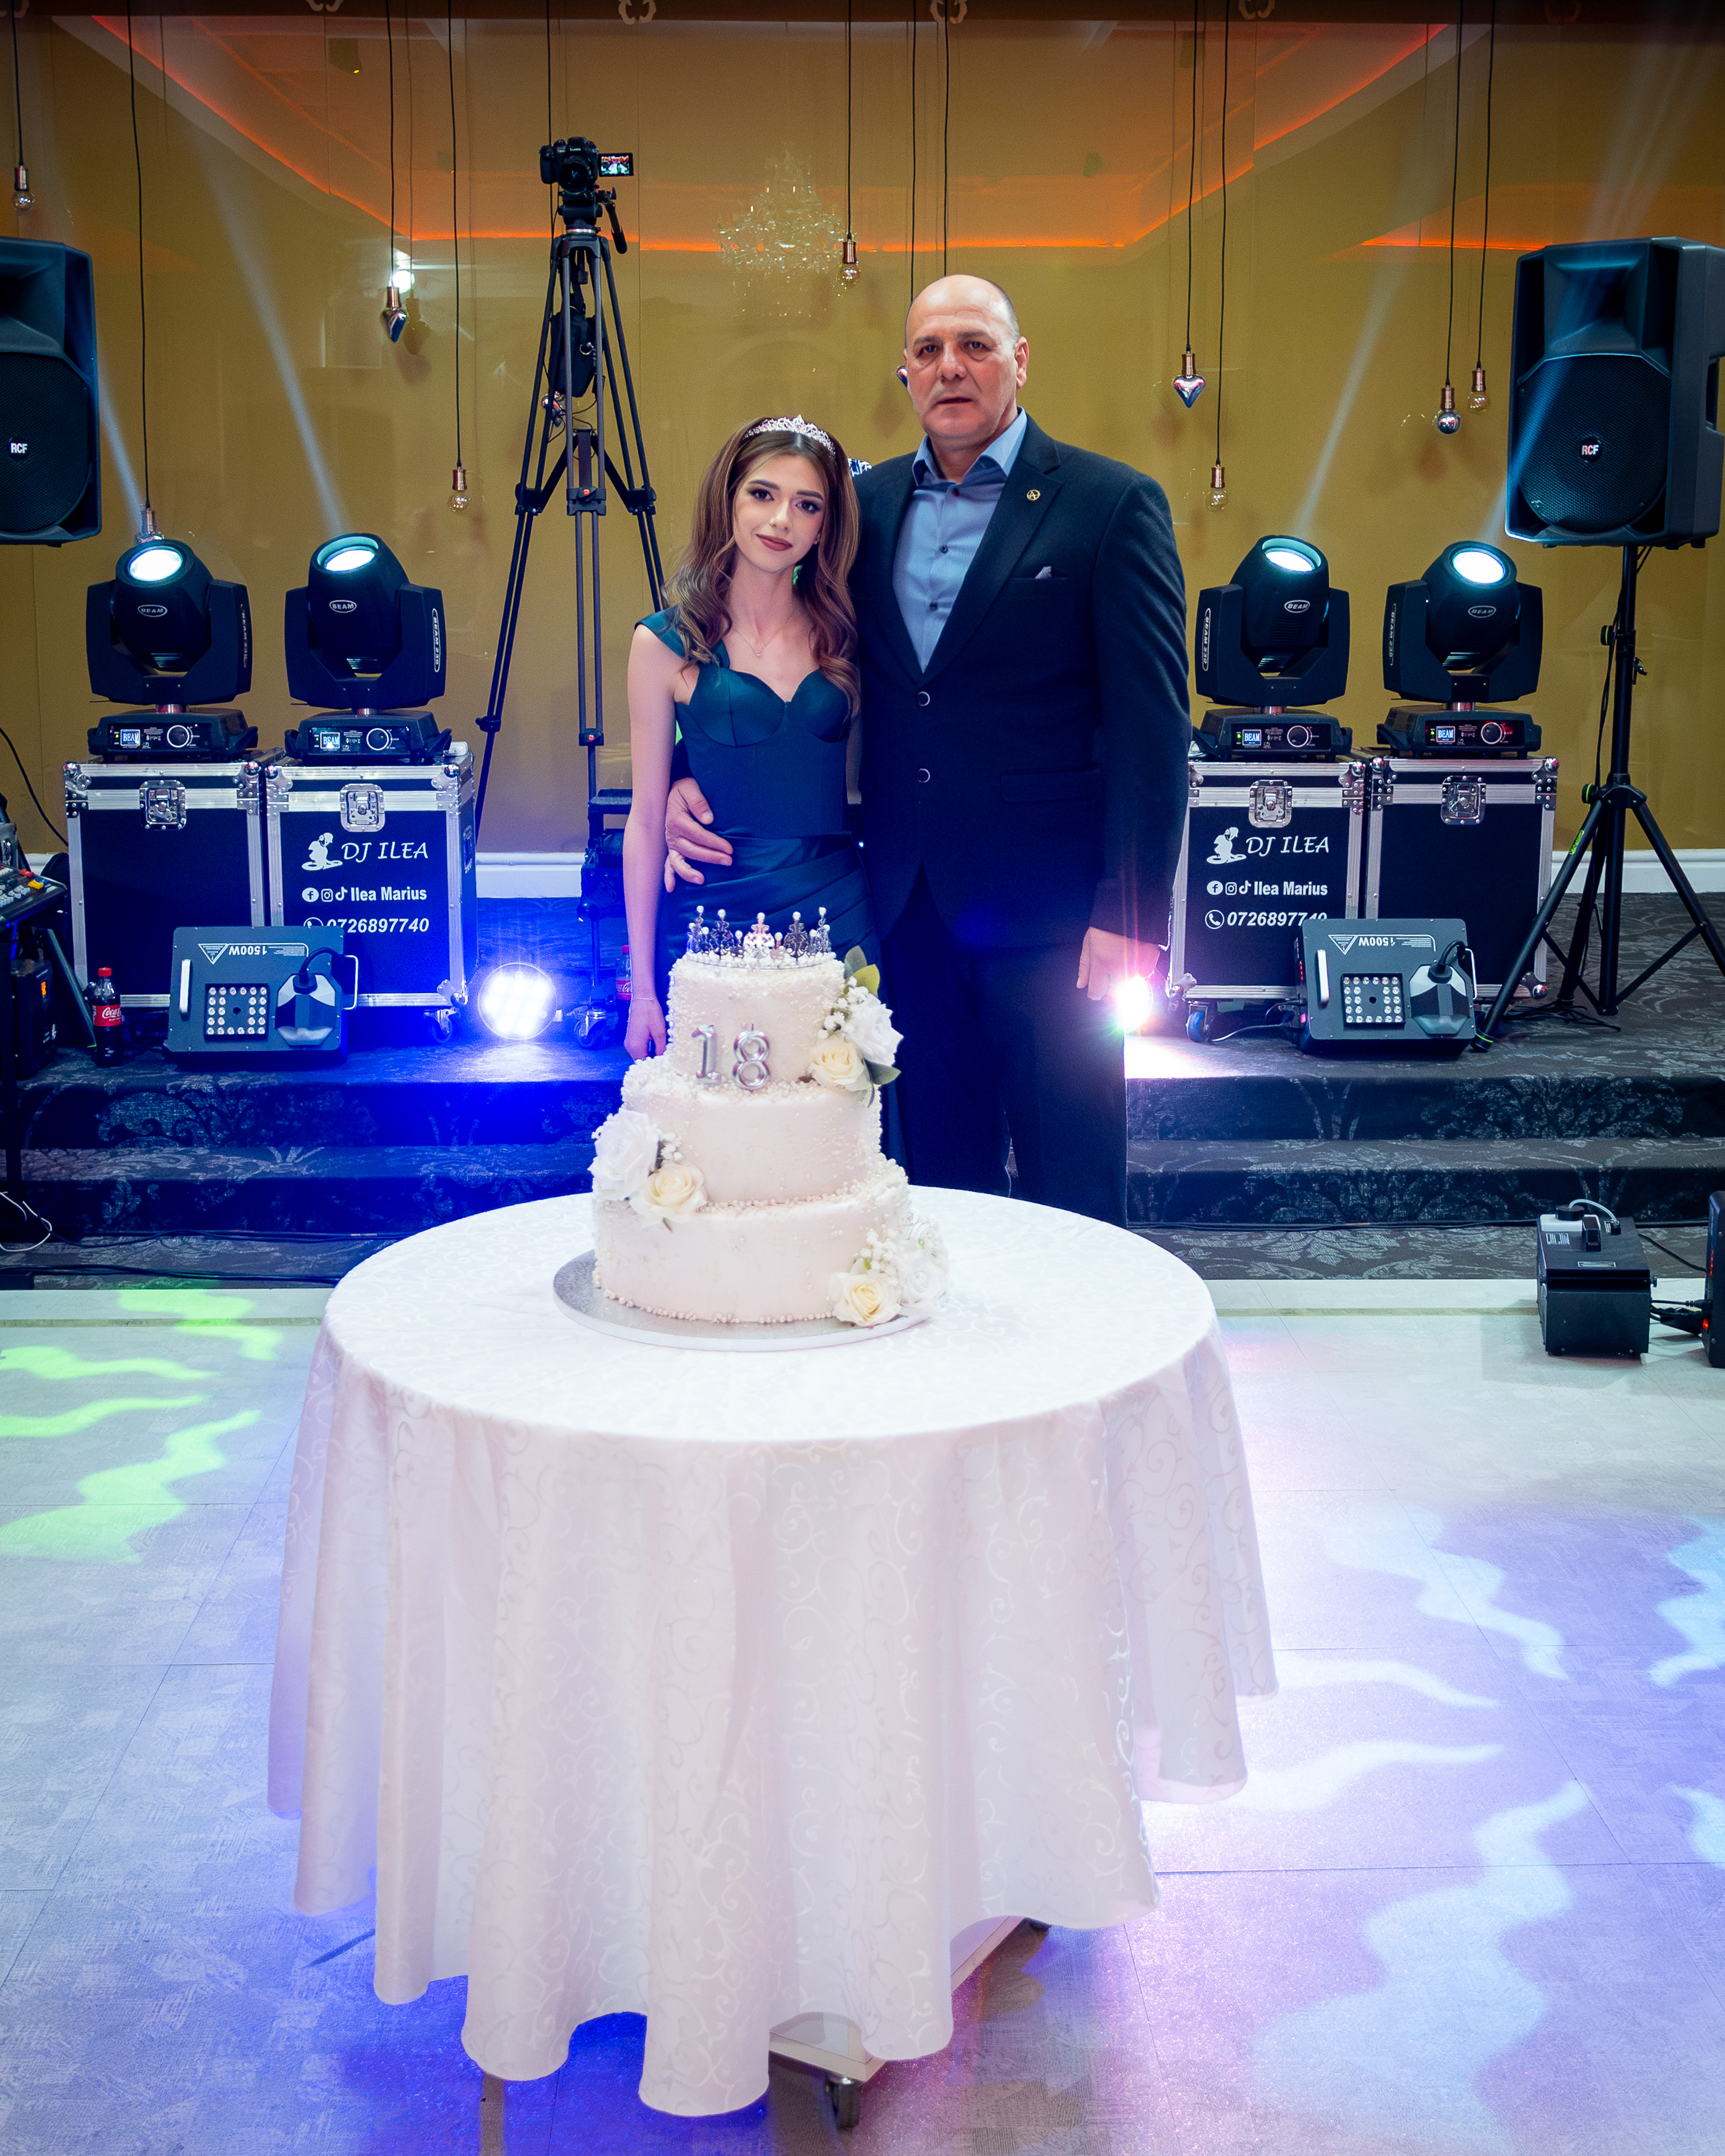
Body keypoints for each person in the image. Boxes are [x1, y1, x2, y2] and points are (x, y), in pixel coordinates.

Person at [664, 275, 1189, 1224]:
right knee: (939, 1185)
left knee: (1072, 1188)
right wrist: (685, 779)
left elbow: (1152, 727)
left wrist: (1132, 913)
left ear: (1019, 361)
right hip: (904, 913)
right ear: (904, 372)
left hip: (1059, 921)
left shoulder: (1110, 504)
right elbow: (756, 644)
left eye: (975, 345)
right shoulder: (857, 510)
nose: (952, 366)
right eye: (929, 350)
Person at [620, 414, 867, 1061]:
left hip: (836, 912)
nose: (782, 520)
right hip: (712, 914)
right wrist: (642, 992)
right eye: (763, 494)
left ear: (825, 525)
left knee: (836, 1104)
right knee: (718, 1107)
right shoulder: (662, 643)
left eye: (807, 504)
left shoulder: (847, 635)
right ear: (727, 500)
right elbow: (645, 820)